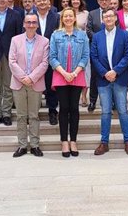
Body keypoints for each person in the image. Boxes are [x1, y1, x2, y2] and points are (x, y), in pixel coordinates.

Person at [90, 9, 128, 156]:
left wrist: (115, 71)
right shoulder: (97, 37)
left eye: (111, 16)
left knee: (123, 111)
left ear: (116, 18)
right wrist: (105, 73)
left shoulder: (125, 35)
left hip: (120, 78)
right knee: (105, 112)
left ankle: (127, 141)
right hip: (103, 80)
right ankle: (104, 143)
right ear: (102, 19)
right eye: (106, 16)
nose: (108, 18)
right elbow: (94, 57)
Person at [49, 8, 90, 158]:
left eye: (70, 16)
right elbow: (52, 57)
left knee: (74, 108)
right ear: (62, 18)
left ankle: (73, 140)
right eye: (65, 16)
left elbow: (85, 56)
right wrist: (64, 73)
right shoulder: (55, 35)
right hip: (60, 75)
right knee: (64, 108)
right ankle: (64, 141)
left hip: (77, 75)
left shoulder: (82, 35)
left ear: (74, 18)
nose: (67, 18)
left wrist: (74, 72)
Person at [8, 13, 49, 157]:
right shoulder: (15, 40)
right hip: (19, 83)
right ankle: (22, 145)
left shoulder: (44, 41)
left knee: (34, 116)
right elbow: (11, 61)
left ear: (37, 25)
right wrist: (23, 77)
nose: (31, 25)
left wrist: (31, 78)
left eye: (33, 22)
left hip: (35, 83)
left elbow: (45, 63)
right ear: (24, 24)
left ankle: (35, 145)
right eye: (28, 22)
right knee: (20, 116)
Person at [34, 0, 60, 123]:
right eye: (39, 1)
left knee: (51, 84)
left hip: (52, 55)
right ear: (35, 3)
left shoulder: (56, 17)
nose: (42, 3)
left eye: (44, 0)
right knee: (35, 84)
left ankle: (52, 111)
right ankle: (33, 113)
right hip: (34, 56)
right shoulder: (31, 17)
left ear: (48, 3)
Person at [86, 0, 112, 112]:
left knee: (110, 74)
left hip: (112, 49)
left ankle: (110, 102)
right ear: (98, 1)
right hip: (96, 49)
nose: (104, 2)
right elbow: (89, 30)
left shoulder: (113, 14)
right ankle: (92, 101)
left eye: (106, 0)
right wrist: (99, 40)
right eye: (101, 0)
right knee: (95, 76)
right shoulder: (92, 13)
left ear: (109, 1)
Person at [70, 0, 90, 106]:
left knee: (85, 69)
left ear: (80, 1)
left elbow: (88, 29)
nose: (75, 1)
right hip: (69, 44)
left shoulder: (86, 13)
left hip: (82, 43)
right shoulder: (66, 13)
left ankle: (83, 96)